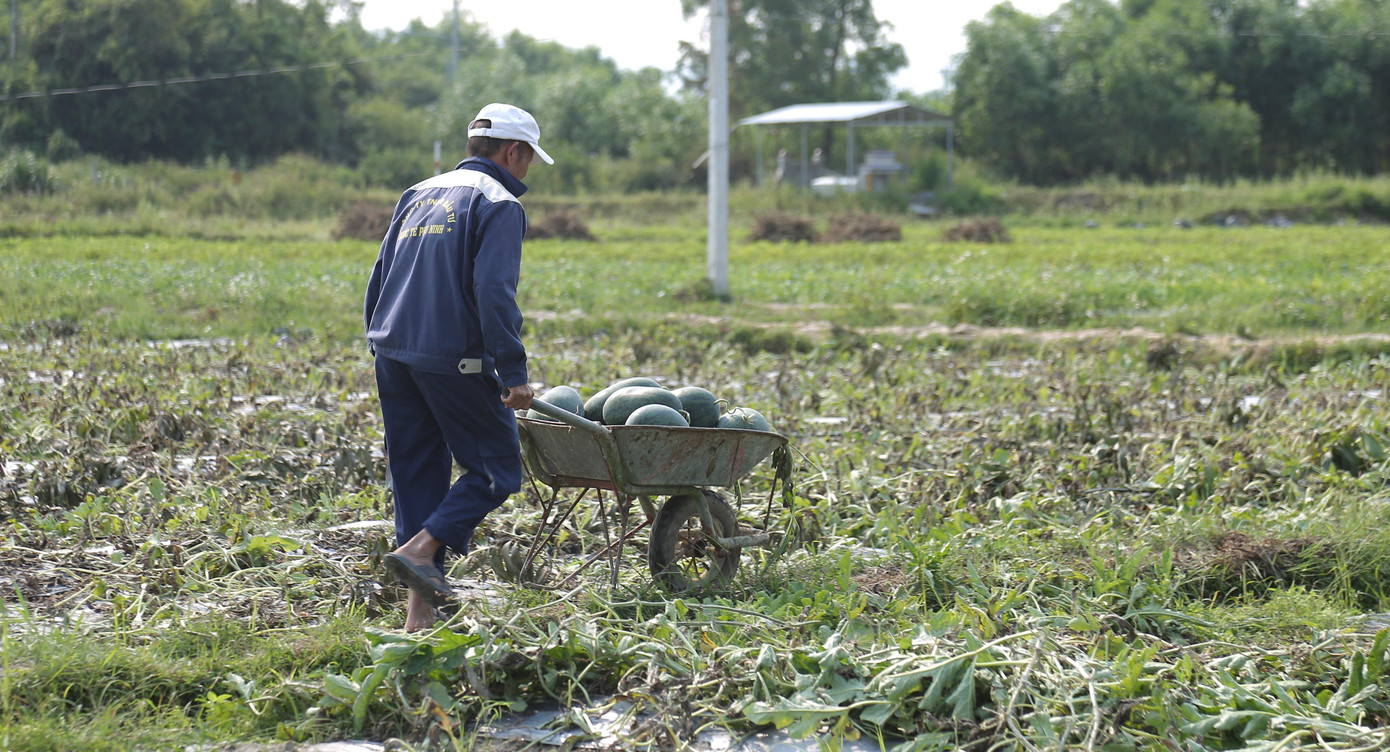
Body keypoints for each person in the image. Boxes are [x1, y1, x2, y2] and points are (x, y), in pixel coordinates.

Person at [364, 102, 553, 632]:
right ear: (512, 152)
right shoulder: (499, 203)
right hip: (454, 359)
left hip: (393, 351)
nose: (528, 170)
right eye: (529, 158)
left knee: (417, 475)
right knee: (496, 469)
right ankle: (420, 549)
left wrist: (377, 341)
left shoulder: (418, 193)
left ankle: (417, 618)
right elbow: (493, 291)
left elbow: (380, 275)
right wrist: (513, 372)